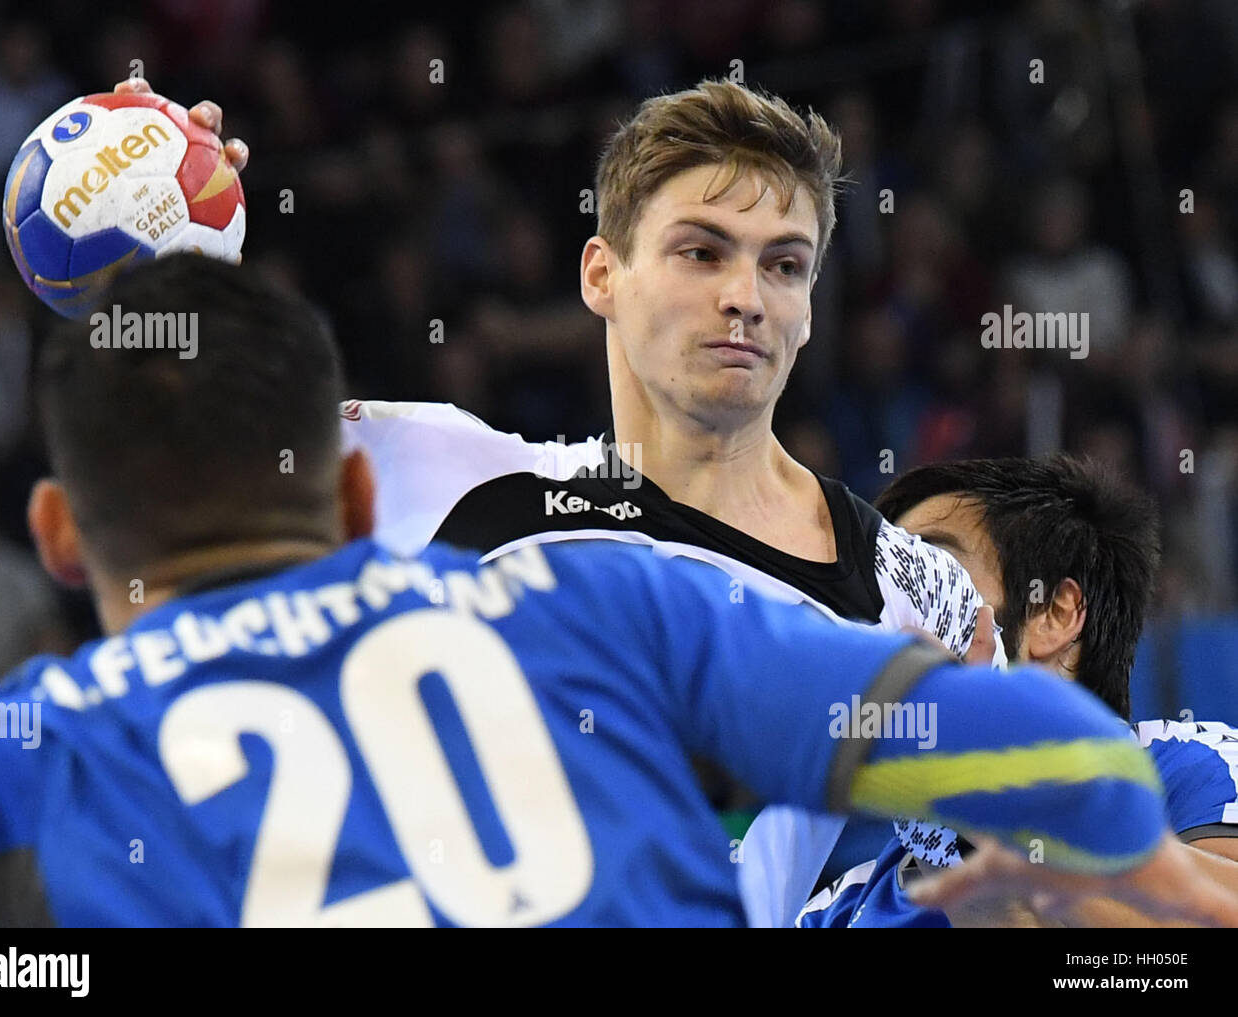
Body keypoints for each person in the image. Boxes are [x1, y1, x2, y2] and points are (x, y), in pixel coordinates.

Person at [0, 256, 1233, 928]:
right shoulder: (595, 606)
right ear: (350, 504)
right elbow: (998, 732)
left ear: (56, 534)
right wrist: (1141, 870)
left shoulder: (35, 738)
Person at [114, 77, 1003, 914]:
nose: (745, 298)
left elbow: (1022, 885)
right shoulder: (443, 477)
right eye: (702, 251)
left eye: (784, 265)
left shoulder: (914, 594)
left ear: (810, 306)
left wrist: (956, 818)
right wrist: (157, 222)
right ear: (601, 275)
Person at [795, 455, 1238, 927]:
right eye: (883, 581)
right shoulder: (840, 909)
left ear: (1055, 614)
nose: (892, 608)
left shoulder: (1202, 770)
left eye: (930, 568)